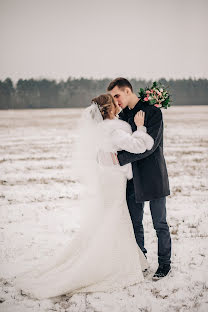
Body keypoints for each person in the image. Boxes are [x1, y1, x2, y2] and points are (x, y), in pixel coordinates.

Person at [11, 94, 154, 299]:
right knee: (115, 216)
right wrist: (140, 128)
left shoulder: (102, 129)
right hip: (114, 179)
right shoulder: (114, 129)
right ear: (110, 108)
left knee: (110, 216)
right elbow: (139, 146)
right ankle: (113, 263)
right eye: (114, 101)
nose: (118, 103)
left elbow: (101, 153)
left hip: (108, 177)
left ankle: (122, 258)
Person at [107, 78, 171, 280]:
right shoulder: (123, 116)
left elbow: (149, 147)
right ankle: (140, 261)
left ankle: (164, 264)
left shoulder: (153, 112)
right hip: (132, 177)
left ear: (127, 91)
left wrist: (120, 158)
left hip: (153, 175)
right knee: (135, 223)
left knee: (159, 223)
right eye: (113, 97)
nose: (116, 101)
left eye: (117, 95)